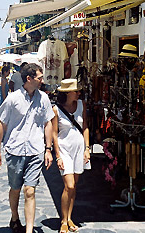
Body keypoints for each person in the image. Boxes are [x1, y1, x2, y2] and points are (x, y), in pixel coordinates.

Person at [0, 63, 54, 233]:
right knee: (15, 188)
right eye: (39, 78)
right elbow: (1, 124)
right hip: (15, 150)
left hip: (36, 150)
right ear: (29, 79)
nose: (42, 81)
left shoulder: (44, 98)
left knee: (30, 190)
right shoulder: (12, 99)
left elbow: (48, 123)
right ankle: (14, 217)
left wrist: (48, 149)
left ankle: (28, 230)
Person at [52, 79, 91, 233]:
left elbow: (85, 127)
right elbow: (54, 134)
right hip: (64, 150)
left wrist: (87, 148)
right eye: (76, 91)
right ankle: (63, 220)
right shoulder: (56, 110)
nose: (79, 93)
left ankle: (69, 218)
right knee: (69, 185)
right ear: (68, 93)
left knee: (74, 186)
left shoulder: (81, 105)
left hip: (79, 149)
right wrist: (58, 156)